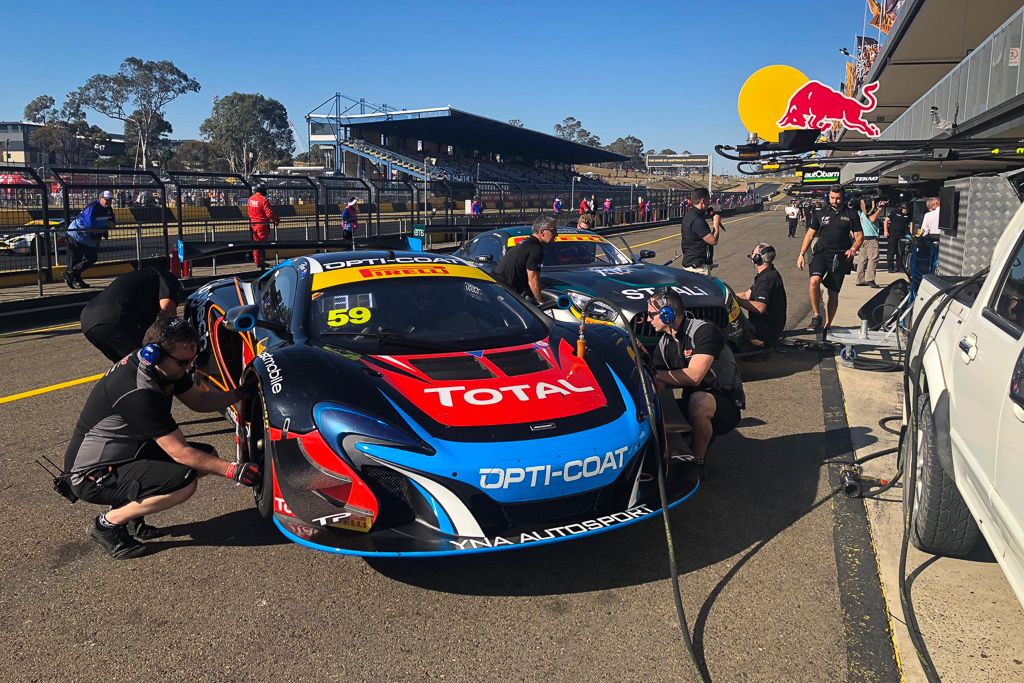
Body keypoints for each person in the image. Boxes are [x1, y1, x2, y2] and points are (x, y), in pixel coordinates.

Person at [62, 317, 261, 559]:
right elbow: (181, 452)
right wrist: (234, 471)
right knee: (184, 482)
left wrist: (238, 394)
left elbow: (198, 400)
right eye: (184, 362)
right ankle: (106, 525)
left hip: (125, 452)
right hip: (92, 475)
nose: (189, 368)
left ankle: (131, 515)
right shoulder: (139, 392)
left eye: (193, 360)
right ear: (154, 354)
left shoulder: (163, 367)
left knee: (208, 457)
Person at [648, 288, 744, 465]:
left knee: (699, 402)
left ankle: (697, 463)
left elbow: (695, 376)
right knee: (652, 413)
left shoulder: (704, 331)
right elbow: (659, 381)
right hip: (693, 399)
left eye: (651, 315)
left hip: (724, 401)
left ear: (667, 314)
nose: (648, 320)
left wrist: (654, 373)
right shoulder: (664, 344)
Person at [80, 266, 185, 362]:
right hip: (115, 319)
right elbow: (167, 309)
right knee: (150, 363)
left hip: (88, 321)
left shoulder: (143, 282)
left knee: (125, 368)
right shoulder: (166, 277)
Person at [797, 185, 863, 335]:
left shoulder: (851, 214)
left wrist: (853, 249)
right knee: (814, 281)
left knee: (833, 292)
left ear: (843, 197)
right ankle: (816, 316)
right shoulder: (820, 212)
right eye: (832, 198)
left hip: (840, 256)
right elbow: (810, 235)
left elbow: (859, 236)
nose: (835, 201)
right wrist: (801, 253)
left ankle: (828, 324)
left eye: (838, 198)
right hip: (821, 253)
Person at [492, 215, 558, 304]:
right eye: (553, 231)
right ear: (542, 232)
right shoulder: (535, 248)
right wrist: (541, 302)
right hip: (504, 291)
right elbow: (533, 280)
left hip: (500, 287)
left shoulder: (528, 243)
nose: (556, 234)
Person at [736, 243, 787, 347]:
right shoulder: (768, 273)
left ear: (758, 257)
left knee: (733, 329)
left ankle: (759, 345)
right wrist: (728, 294)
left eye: (753, 253)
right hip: (769, 325)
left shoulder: (766, 280)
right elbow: (746, 295)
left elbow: (760, 307)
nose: (752, 255)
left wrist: (736, 300)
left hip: (767, 329)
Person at [65, 190, 116, 289]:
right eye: (107, 200)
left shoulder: (109, 209)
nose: (109, 202)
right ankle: (76, 280)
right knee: (76, 259)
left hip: (89, 239)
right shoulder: (92, 207)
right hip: (76, 234)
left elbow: (113, 223)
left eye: (110, 200)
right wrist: (105, 224)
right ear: (100, 199)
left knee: (92, 258)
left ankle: (70, 274)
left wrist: (106, 228)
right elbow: (89, 225)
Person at [680, 188, 719, 276]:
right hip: (698, 268)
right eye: (708, 200)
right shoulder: (697, 220)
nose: (709, 203)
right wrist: (716, 224)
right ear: (703, 201)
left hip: (690, 263)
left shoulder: (689, 215)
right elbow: (713, 241)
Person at [247, 184, 279, 270]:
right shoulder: (263, 200)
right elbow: (269, 214)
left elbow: (249, 212)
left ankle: (258, 261)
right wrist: (277, 220)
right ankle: (260, 262)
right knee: (261, 245)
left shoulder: (250, 199)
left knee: (256, 243)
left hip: (253, 224)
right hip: (262, 225)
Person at [855, 197, 885, 288]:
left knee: (862, 260)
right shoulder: (868, 211)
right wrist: (879, 210)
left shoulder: (860, 212)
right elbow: (872, 219)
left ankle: (860, 279)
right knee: (873, 258)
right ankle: (870, 279)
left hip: (863, 237)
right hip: (871, 238)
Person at [883, 202, 913, 273]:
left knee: (900, 252)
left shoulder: (909, 215)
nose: (905, 211)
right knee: (891, 251)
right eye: (904, 209)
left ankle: (899, 267)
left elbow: (911, 223)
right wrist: (885, 231)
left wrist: (911, 233)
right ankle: (890, 267)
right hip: (892, 234)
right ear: (901, 208)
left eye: (907, 210)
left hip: (902, 235)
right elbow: (886, 220)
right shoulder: (895, 212)